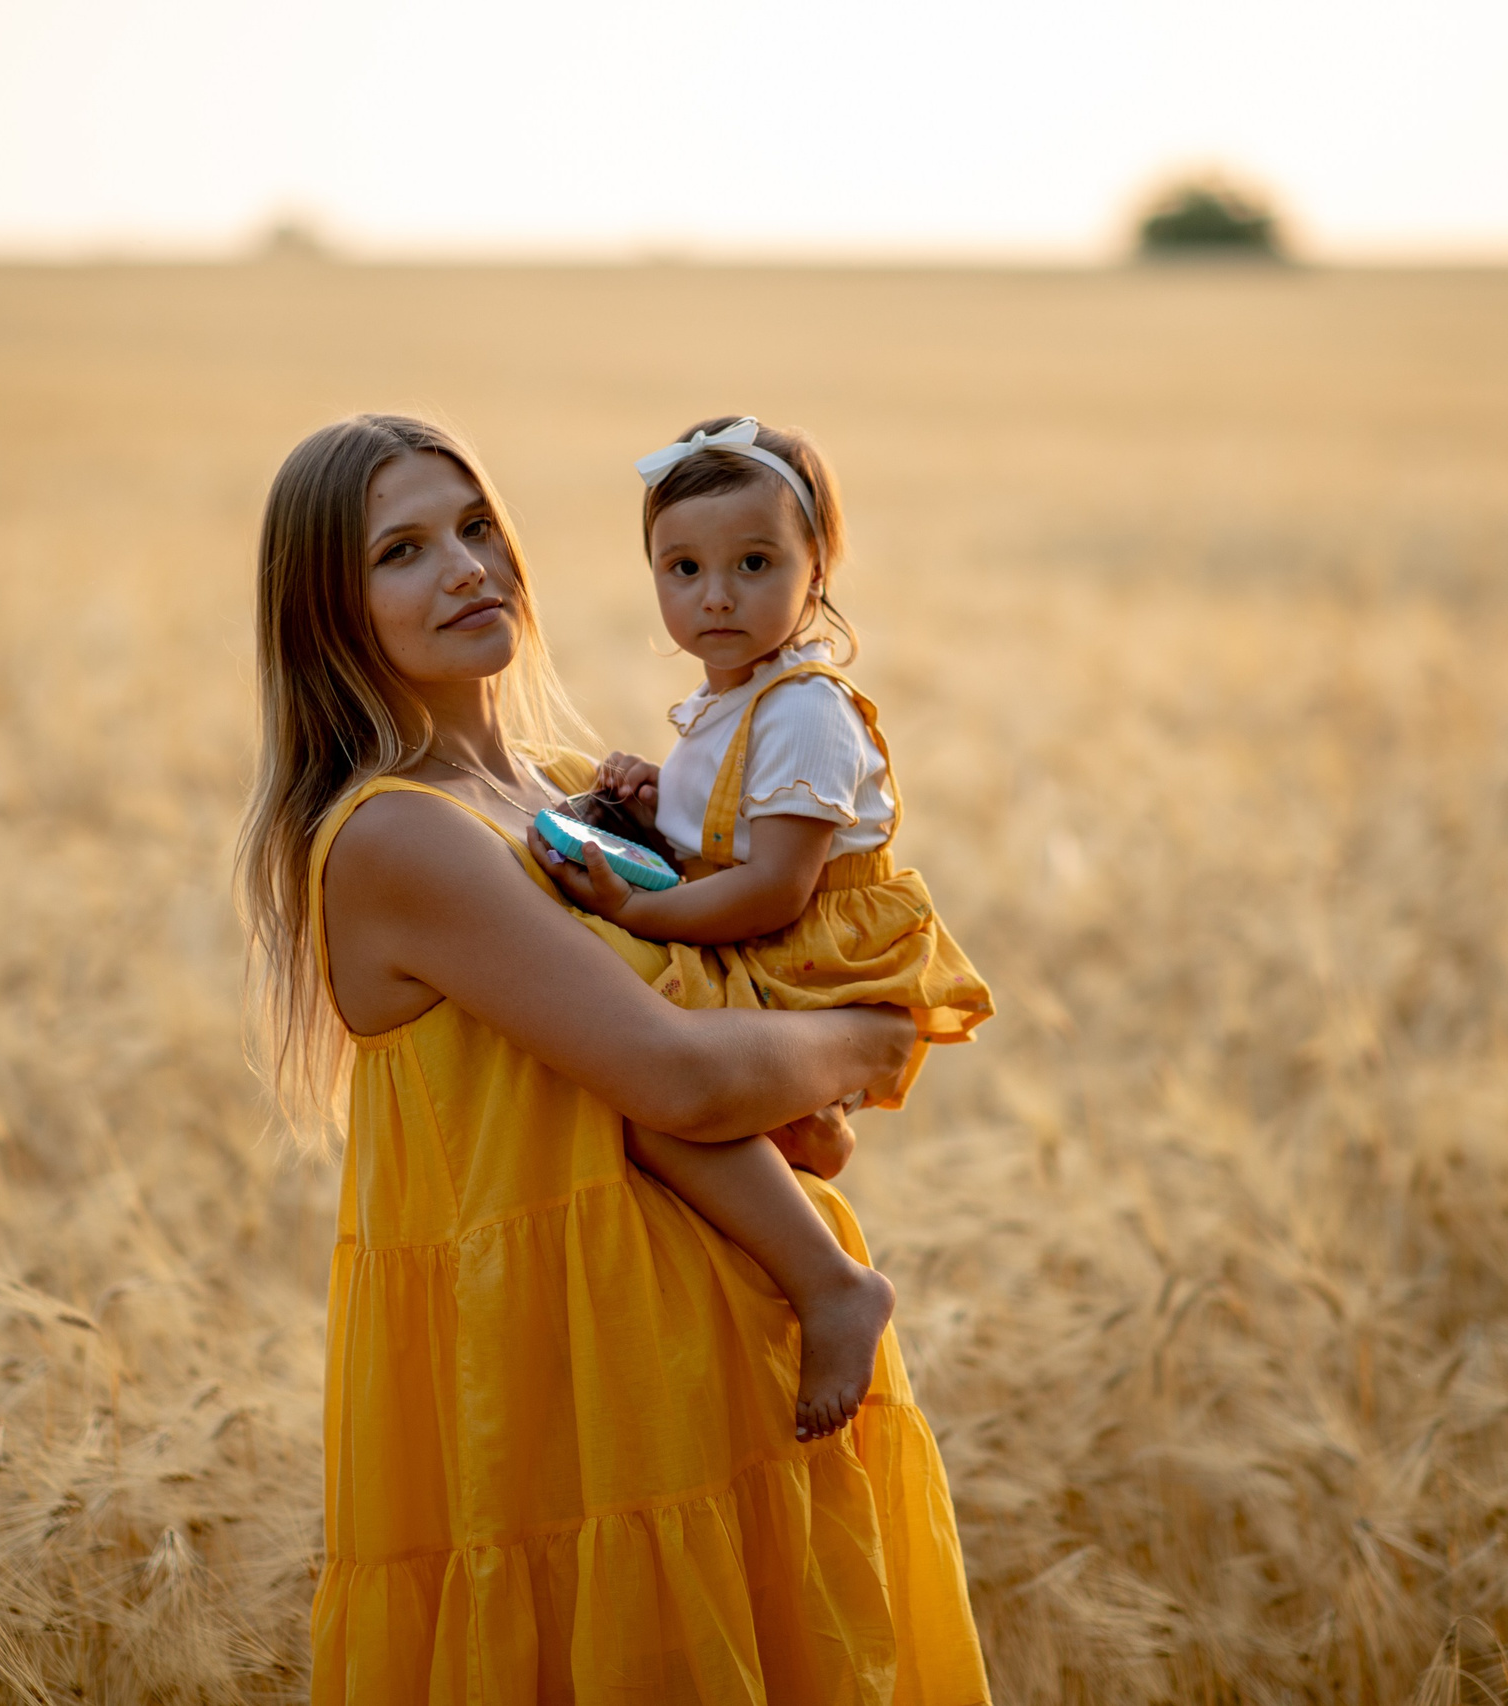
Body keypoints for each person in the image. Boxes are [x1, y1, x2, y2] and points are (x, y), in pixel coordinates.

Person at [237, 413, 990, 1703]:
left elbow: (743, 977)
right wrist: (861, 1039)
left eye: (477, 526)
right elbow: (684, 1076)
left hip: (733, 1378)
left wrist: (801, 1055)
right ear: (327, 614)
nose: (467, 567)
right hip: (575, 1413)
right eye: (403, 551)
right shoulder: (394, 840)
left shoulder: (572, 790)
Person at [533, 417, 994, 1444]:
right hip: (756, 925)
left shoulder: (803, 709)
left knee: (657, 1094)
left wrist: (638, 906)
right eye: (682, 567)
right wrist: (660, 802)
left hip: (811, 951)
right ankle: (797, 1132)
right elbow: (729, 829)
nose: (715, 595)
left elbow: (777, 885)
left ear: (817, 563)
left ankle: (835, 1286)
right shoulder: (730, 699)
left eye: (754, 563)